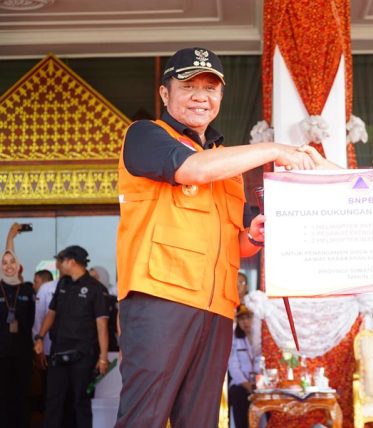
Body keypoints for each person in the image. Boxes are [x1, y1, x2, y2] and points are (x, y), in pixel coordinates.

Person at [115, 47, 317, 427]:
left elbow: (235, 243)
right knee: (144, 418)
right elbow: (192, 169)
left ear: (221, 97)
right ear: (165, 93)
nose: (200, 97)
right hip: (161, 299)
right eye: (188, 86)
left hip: (218, 310)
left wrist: (254, 236)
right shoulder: (145, 135)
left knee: (201, 420)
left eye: (210, 88)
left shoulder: (227, 164)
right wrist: (274, 149)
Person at [34, 245, 109, 428]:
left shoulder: (95, 288)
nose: (59, 264)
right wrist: (40, 337)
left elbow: (102, 325)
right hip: (58, 352)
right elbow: (51, 313)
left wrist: (103, 357)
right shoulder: (62, 284)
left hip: (82, 355)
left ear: (72, 262)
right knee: (53, 402)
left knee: (80, 403)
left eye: (62, 260)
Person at [0, 225, 35, 428]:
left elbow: (31, 320)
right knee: (3, 397)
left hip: (22, 353)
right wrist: (10, 238)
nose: (8, 266)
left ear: (18, 265)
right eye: (4, 263)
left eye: (12, 261)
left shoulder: (27, 289)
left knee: (22, 396)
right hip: (1, 354)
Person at [227, 304, 260, 428]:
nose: (245, 322)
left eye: (248, 318)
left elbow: (259, 360)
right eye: (242, 319)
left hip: (256, 383)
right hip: (240, 384)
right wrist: (247, 385)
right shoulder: (233, 339)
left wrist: (255, 381)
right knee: (239, 395)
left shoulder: (257, 337)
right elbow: (233, 367)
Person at [89, 266, 119, 352]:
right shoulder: (84, 300)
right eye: (89, 278)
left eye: (94, 278)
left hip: (110, 347)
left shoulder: (113, 301)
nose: (91, 281)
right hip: (88, 347)